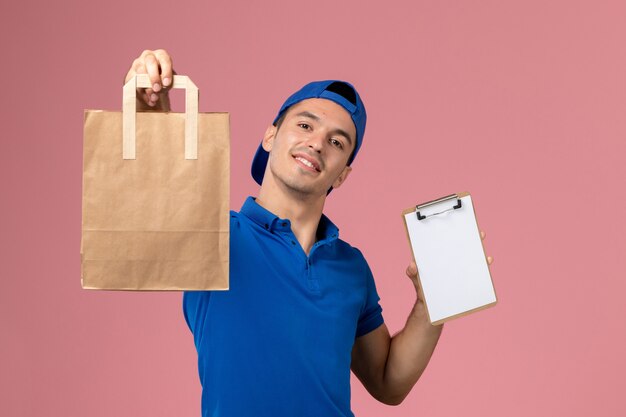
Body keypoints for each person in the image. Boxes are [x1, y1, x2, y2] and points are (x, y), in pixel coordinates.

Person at [124, 49, 493, 417]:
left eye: (337, 142)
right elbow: (159, 193)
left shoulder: (351, 266)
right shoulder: (214, 234)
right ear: (270, 135)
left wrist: (432, 305)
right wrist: (150, 109)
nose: (317, 143)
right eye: (305, 125)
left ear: (343, 174)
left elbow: (387, 382)